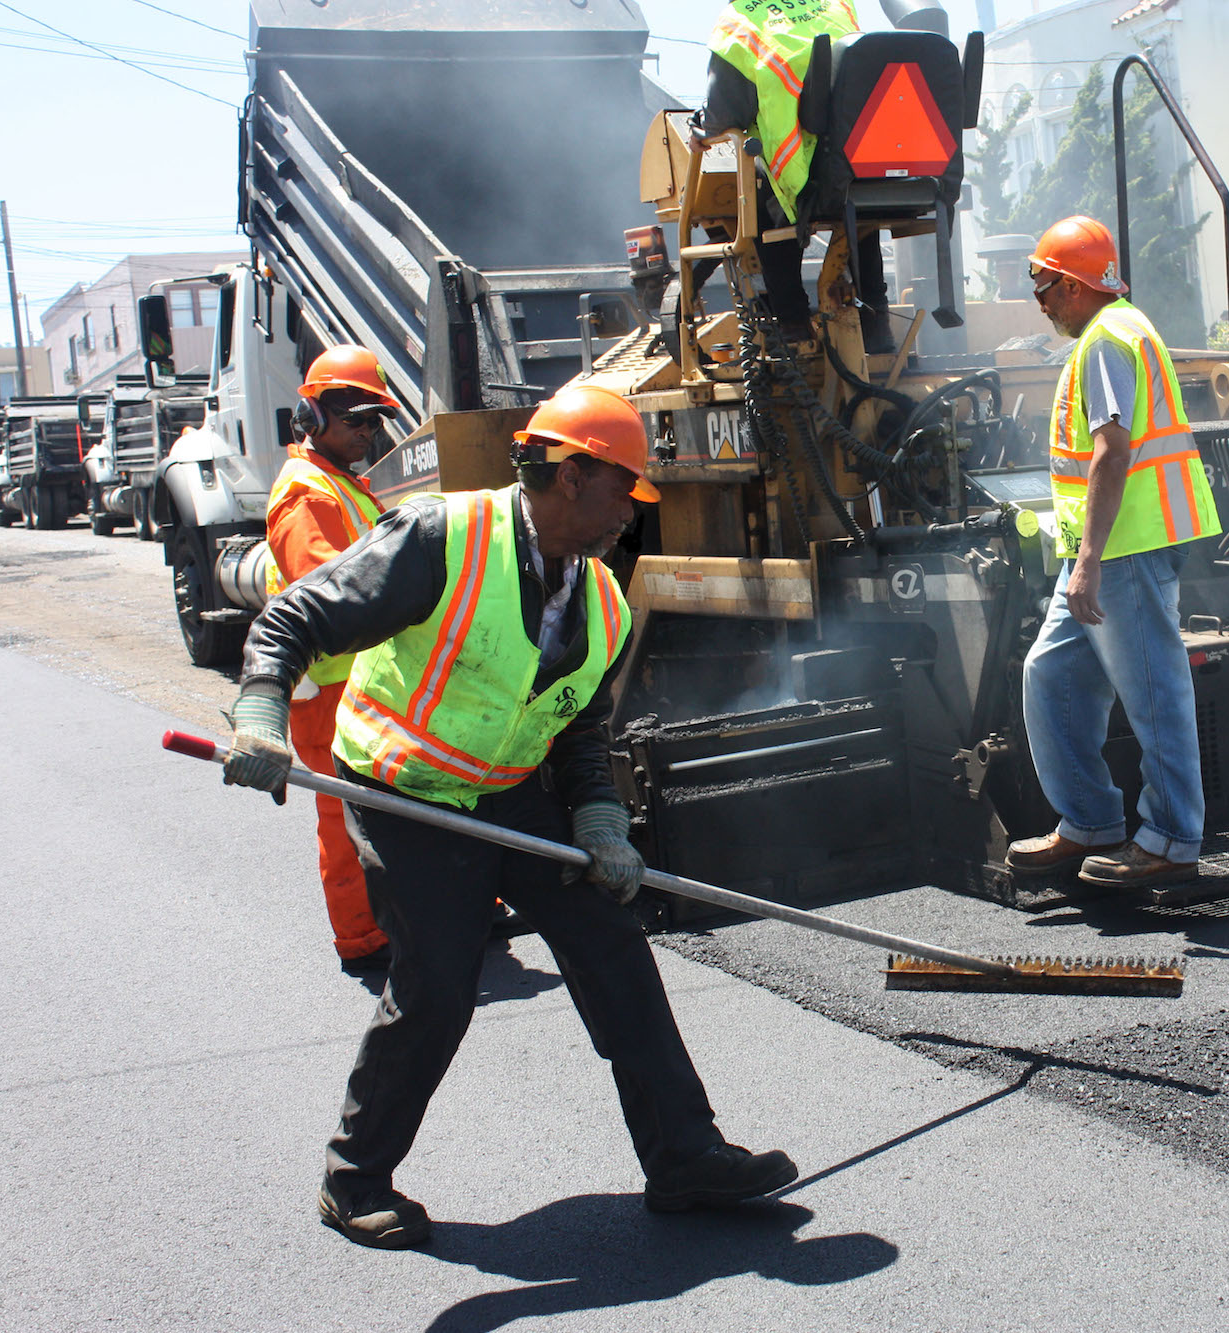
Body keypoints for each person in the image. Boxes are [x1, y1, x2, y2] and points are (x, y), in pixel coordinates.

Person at [221, 379, 796, 1248]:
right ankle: (355, 1176)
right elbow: (293, 619)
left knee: (612, 943)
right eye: (622, 491)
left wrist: (600, 820)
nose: (630, 513)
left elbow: (578, 729)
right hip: (404, 788)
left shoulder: (601, 599)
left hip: (512, 791)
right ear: (570, 474)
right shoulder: (442, 538)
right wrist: (261, 712)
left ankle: (685, 1155)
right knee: (439, 985)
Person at [1005, 216, 1222, 890]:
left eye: (1044, 286)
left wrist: (1091, 558)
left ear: (1073, 286)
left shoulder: (1104, 342)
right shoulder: (1120, 329)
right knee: (1051, 673)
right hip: (1105, 549)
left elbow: (1112, 448)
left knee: (1154, 690)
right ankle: (1091, 822)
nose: (1039, 302)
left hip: (1125, 547)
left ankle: (1171, 838)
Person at [266, 346, 395, 974]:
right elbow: (321, 593)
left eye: (376, 421)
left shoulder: (343, 485)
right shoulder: (306, 495)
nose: (369, 433)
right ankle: (363, 940)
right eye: (358, 420)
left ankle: (408, 916)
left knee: (391, 811)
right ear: (313, 417)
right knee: (345, 823)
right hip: (328, 696)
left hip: (359, 688)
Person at [699, 0, 895, 352]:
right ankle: (877, 325)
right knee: (858, 212)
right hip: (861, 161)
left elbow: (724, 114)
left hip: (800, 165)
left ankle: (792, 326)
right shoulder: (835, 5)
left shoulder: (739, 25)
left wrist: (701, 127)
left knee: (762, 189)